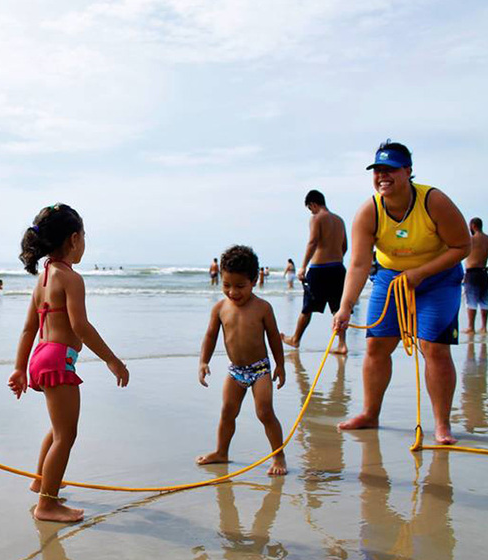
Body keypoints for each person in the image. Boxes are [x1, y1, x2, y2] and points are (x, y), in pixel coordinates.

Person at [333, 141, 470, 445]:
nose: (383, 176)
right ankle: (370, 414)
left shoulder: (433, 201)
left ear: (407, 171)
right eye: (378, 170)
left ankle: (442, 425)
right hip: (390, 280)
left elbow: (464, 247)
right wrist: (345, 307)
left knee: (433, 347)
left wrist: (421, 273)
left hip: (438, 278)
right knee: (377, 346)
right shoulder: (370, 211)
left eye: (391, 170)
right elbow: (357, 264)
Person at [8, 204, 129, 522]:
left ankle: (41, 480)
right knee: (67, 435)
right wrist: (112, 360)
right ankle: (47, 505)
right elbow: (81, 326)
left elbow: (28, 328)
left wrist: (20, 368)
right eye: (84, 236)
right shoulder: (70, 278)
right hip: (59, 360)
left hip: (41, 356)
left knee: (57, 428)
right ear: (74, 239)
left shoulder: (44, 277)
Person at [196, 245, 287, 476]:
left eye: (240, 286)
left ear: (254, 280)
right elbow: (210, 335)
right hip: (235, 370)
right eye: (226, 285)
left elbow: (274, 337)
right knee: (227, 411)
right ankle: (221, 452)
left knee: (264, 412)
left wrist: (281, 365)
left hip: (260, 369)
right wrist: (203, 362)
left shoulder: (263, 308)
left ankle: (278, 456)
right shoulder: (220, 308)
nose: (233, 292)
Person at [281, 190, 348, 354]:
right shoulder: (339, 220)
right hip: (338, 268)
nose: (311, 212)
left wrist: (303, 266)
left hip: (319, 269)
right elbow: (344, 246)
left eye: (310, 208)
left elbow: (313, 242)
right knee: (338, 308)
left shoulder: (316, 218)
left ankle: (295, 339)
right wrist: (336, 258)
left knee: (307, 307)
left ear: (313, 204)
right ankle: (342, 344)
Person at [463, 217, 488, 334]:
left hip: (471, 273)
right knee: (484, 300)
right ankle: (484, 327)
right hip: (483, 272)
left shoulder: (470, 240)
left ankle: (471, 327)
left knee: (471, 301)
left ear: (473, 225)